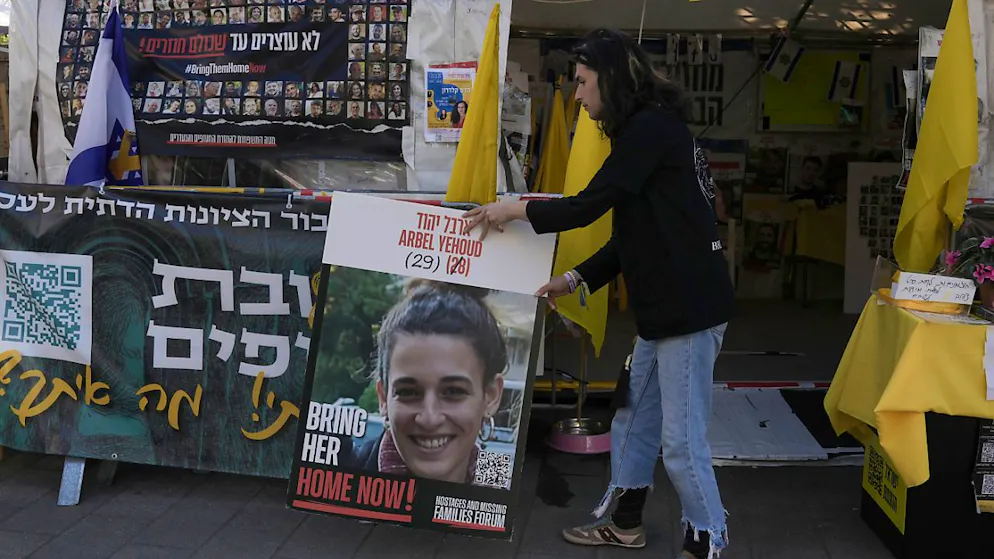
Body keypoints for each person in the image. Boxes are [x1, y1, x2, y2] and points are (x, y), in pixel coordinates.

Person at [462, 28, 734, 559]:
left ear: (611, 80)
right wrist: (574, 279)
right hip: (665, 312)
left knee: (681, 443)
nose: (578, 95)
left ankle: (708, 541)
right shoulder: (647, 129)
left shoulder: (649, 130)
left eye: (584, 83)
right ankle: (626, 524)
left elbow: (586, 206)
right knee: (633, 423)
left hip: (688, 312)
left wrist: (513, 208)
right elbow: (633, 235)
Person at [349, 280, 506, 484]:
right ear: (383, 398)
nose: (429, 419)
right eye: (408, 392)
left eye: (453, 391)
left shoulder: (501, 480)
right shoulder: (342, 478)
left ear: (491, 396)